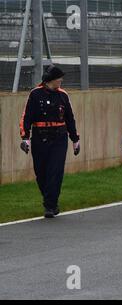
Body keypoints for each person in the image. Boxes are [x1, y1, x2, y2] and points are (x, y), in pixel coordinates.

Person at [19, 65, 80, 218]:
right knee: (41, 172)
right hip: (40, 136)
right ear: (51, 80)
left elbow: (70, 119)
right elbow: (26, 117)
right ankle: (49, 200)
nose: (61, 80)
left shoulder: (63, 96)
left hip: (59, 137)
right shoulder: (35, 94)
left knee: (55, 171)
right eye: (59, 78)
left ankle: (50, 206)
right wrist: (25, 138)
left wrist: (75, 140)